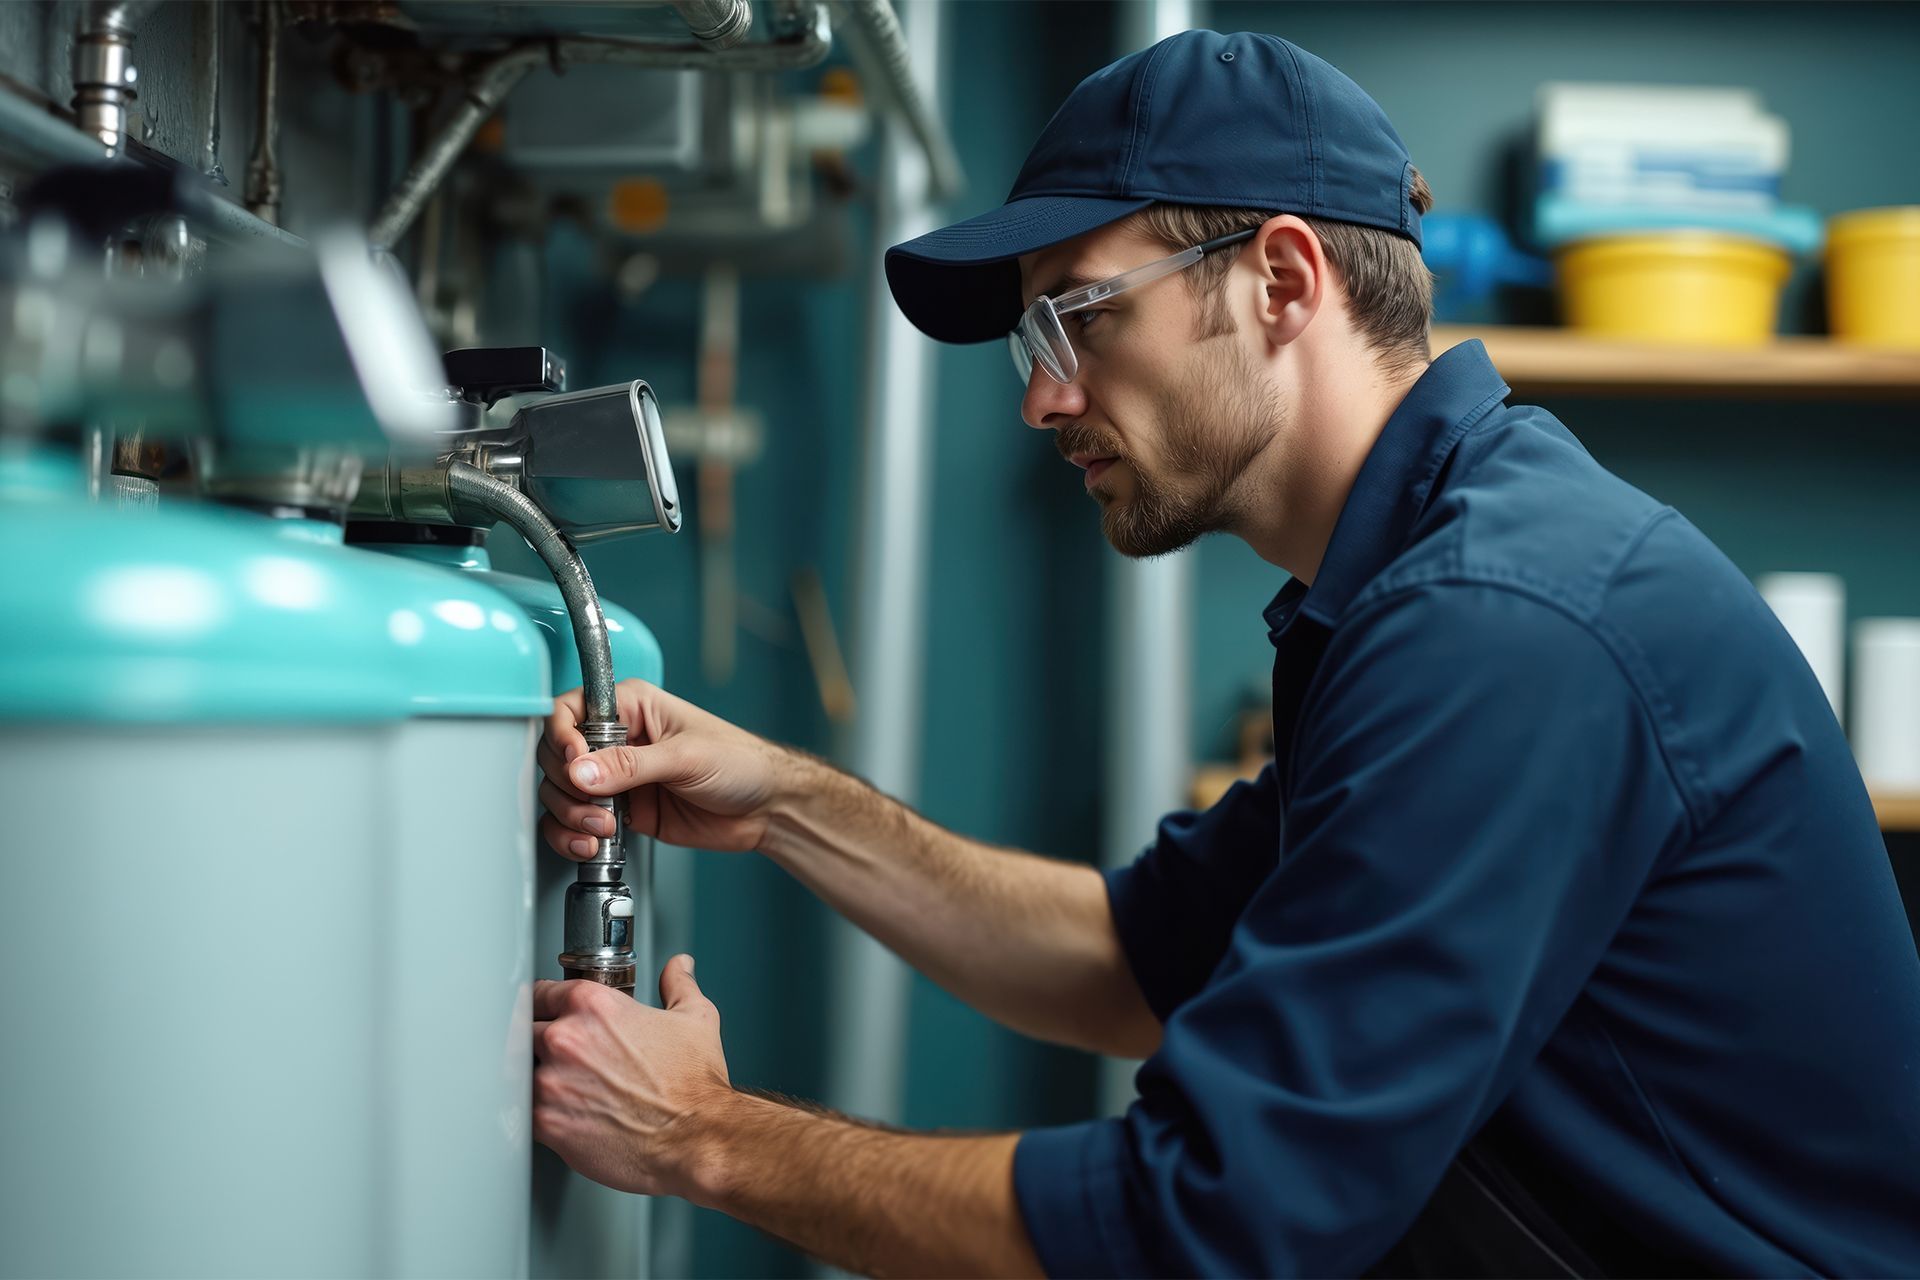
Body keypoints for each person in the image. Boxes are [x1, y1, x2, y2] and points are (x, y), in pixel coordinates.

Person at [528, 29, 1920, 1278]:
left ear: (1282, 279)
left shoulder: (1503, 623)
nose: (1042, 395)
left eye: (1079, 314)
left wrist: (701, 1138)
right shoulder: (1409, 588)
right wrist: (782, 804)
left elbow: (1212, 1226)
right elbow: (1131, 961)